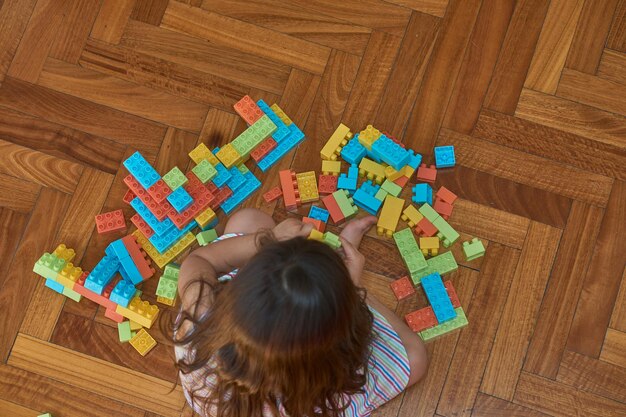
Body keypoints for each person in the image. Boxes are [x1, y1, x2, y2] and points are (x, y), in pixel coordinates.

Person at [169, 208, 428, 417]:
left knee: (249, 219)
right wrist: (353, 289)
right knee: (416, 358)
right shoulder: (332, 391)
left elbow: (199, 261)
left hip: (221, 395)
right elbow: (403, 356)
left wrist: (265, 240)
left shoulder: (201, 318)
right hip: (314, 386)